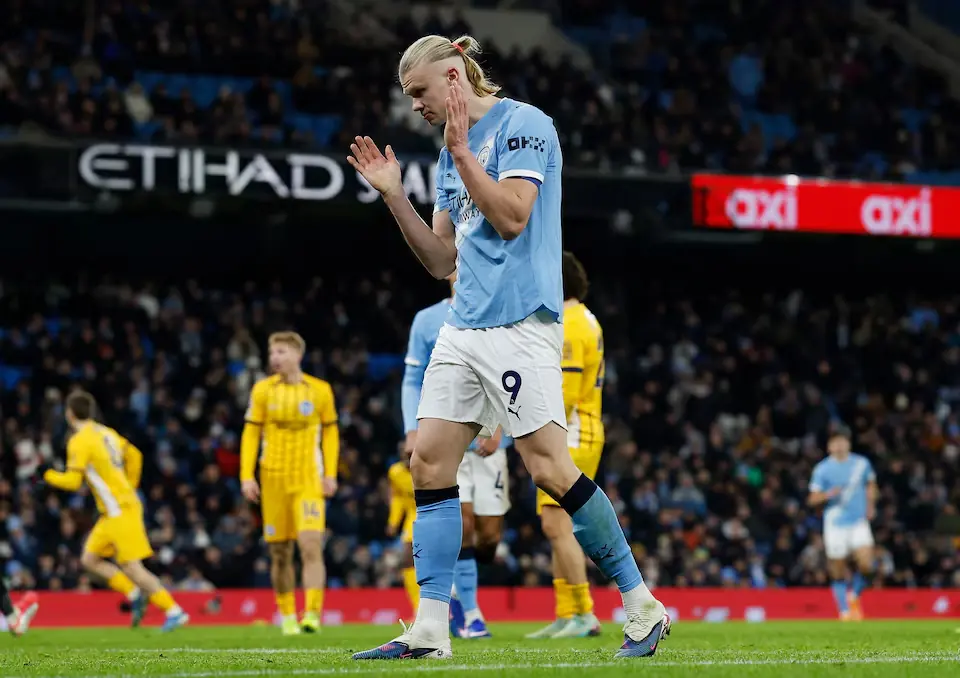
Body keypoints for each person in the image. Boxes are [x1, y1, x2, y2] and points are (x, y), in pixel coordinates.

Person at [348, 34, 669, 660]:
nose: (414, 106)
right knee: (429, 464)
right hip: (464, 326)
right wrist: (393, 195)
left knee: (549, 468)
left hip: (522, 321)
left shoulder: (526, 126)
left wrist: (464, 153)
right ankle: (432, 630)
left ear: (452, 76)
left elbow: (515, 216)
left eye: (419, 92)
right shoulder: (447, 157)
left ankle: (642, 606)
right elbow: (442, 256)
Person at [401, 273, 511, 639]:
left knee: (489, 537)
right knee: (460, 519)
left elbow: (510, 375)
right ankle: (471, 613)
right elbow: (412, 379)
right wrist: (412, 431)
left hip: (491, 442)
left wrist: (501, 430)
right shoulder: (428, 319)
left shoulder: (503, 314)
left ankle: (454, 589)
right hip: (452, 439)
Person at [42, 391, 188, 632]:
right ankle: (133, 594)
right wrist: (130, 485)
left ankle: (174, 611)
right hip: (112, 512)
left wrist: (47, 475)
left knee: (132, 567)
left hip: (119, 510)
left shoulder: (79, 440)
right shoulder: (106, 432)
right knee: (89, 559)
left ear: (70, 414)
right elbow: (135, 455)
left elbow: (72, 482)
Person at [240, 331, 340, 635]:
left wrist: (330, 473)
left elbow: (332, 434)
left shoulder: (320, 390)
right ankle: (286, 617)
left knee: (310, 545)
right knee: (280, 552)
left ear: (298, 355)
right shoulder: (261, 391)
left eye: (281, 352)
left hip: (308, 479)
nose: (275, 358)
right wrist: (246, 476)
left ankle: (311, 613)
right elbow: (251, 434)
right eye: (272, 353)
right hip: (272, 480)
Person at [527, 251, 604, 639]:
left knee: (558, 523)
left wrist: (542, 430)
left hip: (571, 431)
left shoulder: (571, 324)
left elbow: (567, 392)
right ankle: (566, 611)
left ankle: (584, 613)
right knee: (555, 523)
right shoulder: (582, 319)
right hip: (579, 430)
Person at [808, 425, 877, 620]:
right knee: (837, 568)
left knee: (867, 563)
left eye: (842, 441)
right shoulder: (822, 469)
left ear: (848, 443)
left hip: (858, 521)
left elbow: (871, 484)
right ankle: (844, 610)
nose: (839, 445)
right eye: (834, 442)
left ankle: (853, 595)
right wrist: (828, 494)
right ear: (829, 446)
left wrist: (871, 505)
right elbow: (812, 499)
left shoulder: (862, 464)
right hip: (835, 523)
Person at [387, 445, 418, 612]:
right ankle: (417, 608)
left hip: (435, 514)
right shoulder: (395, 473)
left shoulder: (429, 468)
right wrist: (393, 521)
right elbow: (397, 497)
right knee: (407, 559)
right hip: (414, 516)